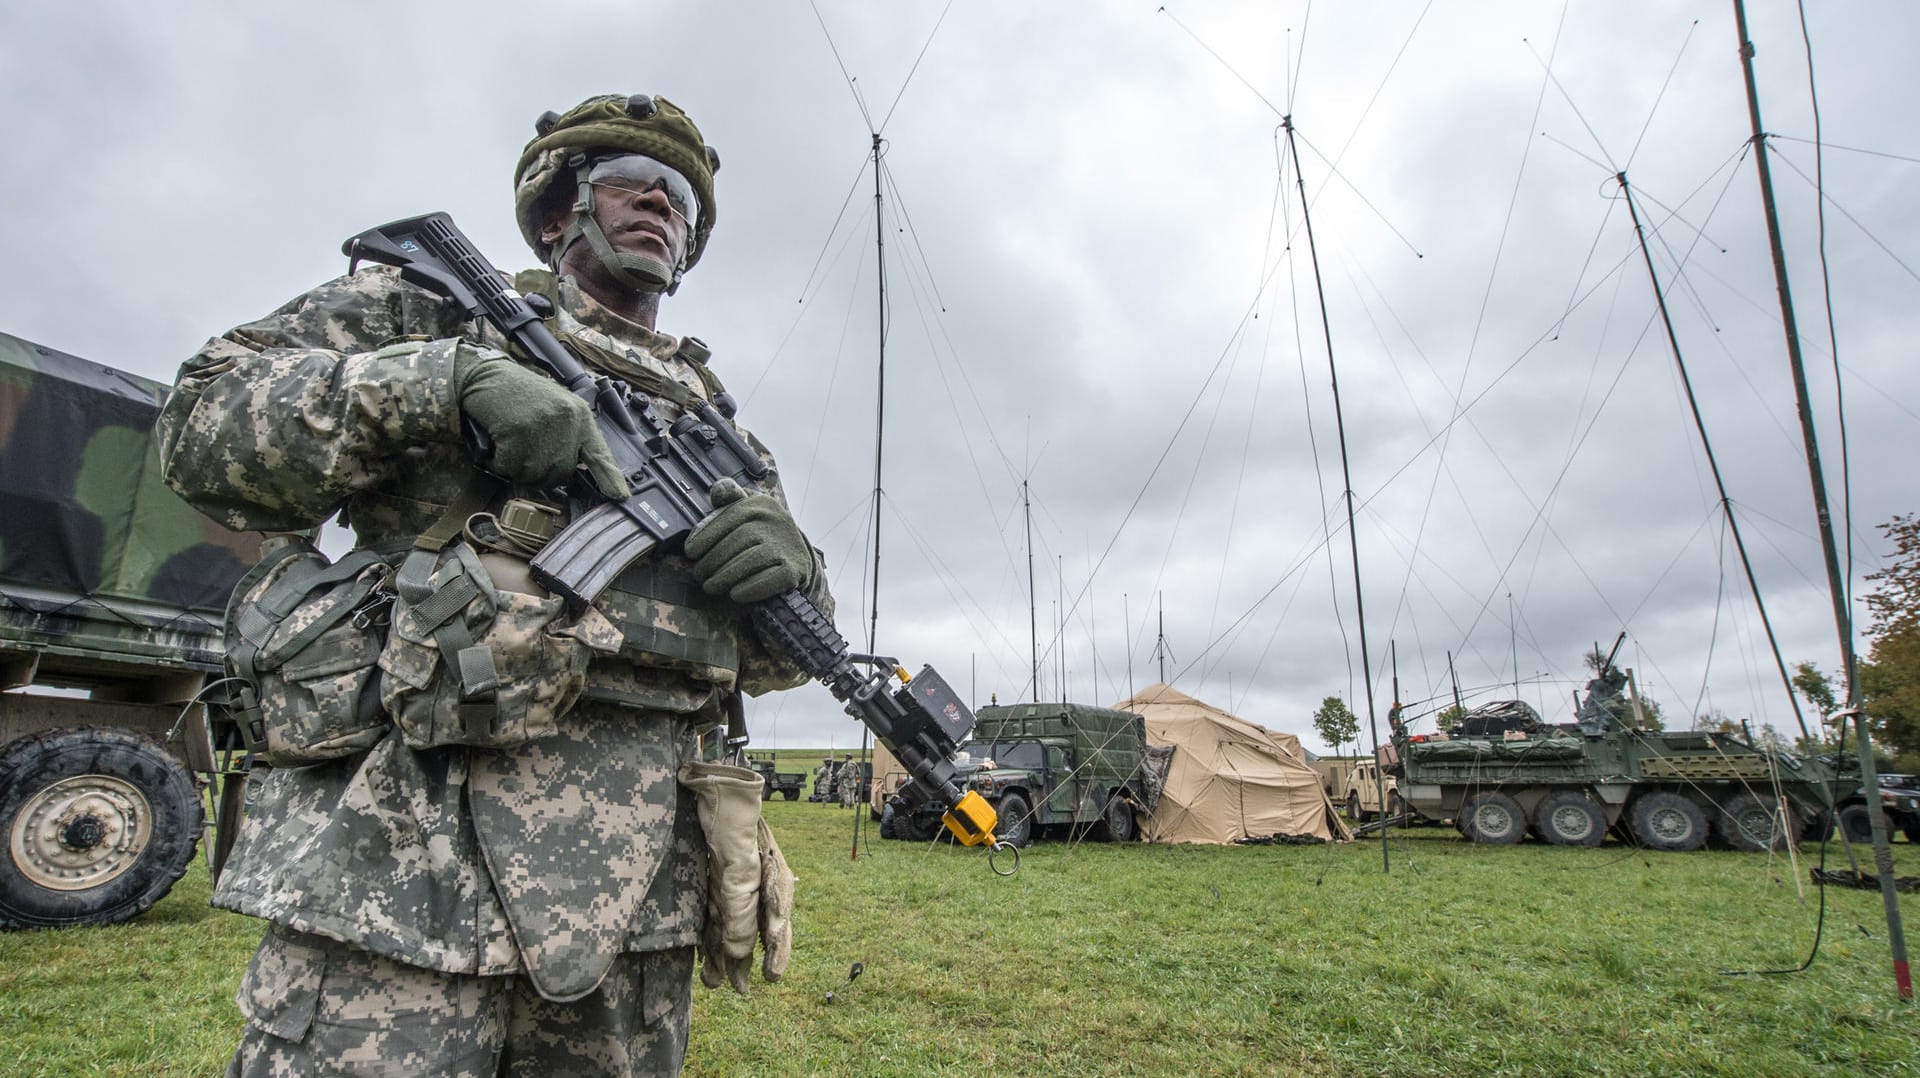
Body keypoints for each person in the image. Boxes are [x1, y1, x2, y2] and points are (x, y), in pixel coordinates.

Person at [157, 93, 831, 1076]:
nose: (661, 202)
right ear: (561, 213)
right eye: (629, 182)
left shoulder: (720, 434)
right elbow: (198, 426)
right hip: (406, 865)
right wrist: (436, 385)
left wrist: (797, 569)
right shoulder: (433, 314)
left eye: (681, 195)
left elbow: (780, 655)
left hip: (630, 903)